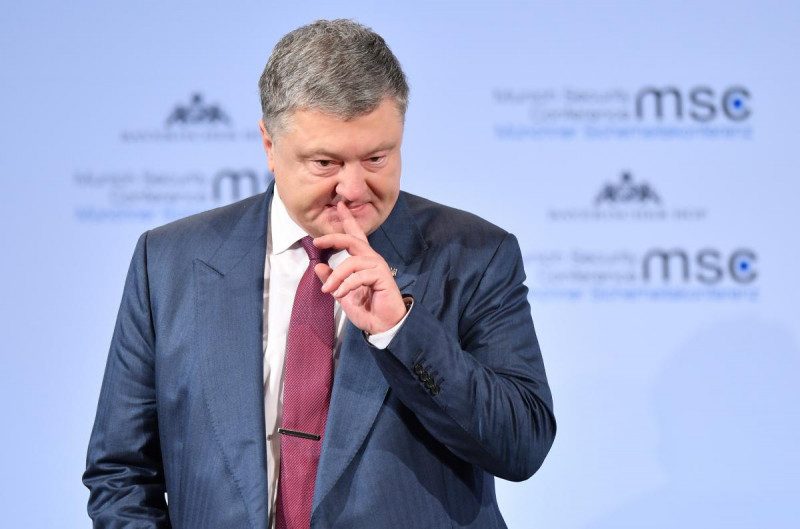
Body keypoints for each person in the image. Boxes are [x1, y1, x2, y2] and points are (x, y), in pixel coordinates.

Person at [83, 19, 556, 529]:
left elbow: (521, 445)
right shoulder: (168, 260)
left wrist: (400, 331)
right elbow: (121, 473)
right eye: (326, 163)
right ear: (269, 145)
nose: (353, 188)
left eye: (377, 158)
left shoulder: (475, 255)